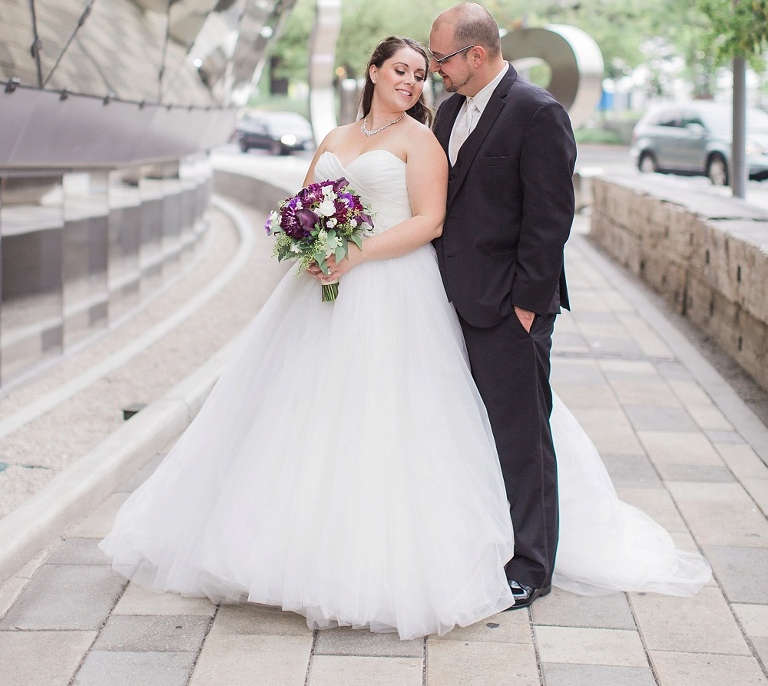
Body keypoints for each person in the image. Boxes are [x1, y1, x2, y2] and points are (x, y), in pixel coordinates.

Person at [101, 35, 710, 640]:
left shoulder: (427, 137)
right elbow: (310, 199)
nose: (415, 82)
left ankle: (499, 557)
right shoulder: (347, 136)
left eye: (423, 72)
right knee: (304, 414)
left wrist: (356, 254)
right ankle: (287, 543)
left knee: (403, 415)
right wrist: (310, 240)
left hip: (397, 287)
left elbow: (432, 220)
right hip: (321, 293)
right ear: (372, 71)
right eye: (403, 69)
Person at [429, 2, 576, 607]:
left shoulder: (537, 112)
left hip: (508, 310)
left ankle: (532, 565)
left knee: (522, 438)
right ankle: (479, 540)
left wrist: (527, 308)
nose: (436, 68)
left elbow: (551, 220)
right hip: (445, 304)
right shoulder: (446, 111)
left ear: (477, 54)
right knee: (463, 433)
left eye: (441, 57)